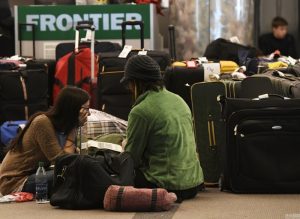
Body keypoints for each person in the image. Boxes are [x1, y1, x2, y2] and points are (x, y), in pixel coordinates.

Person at [121, 55, 204, 202]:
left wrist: (124, 146)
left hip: (166, 185)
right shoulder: (179, 100)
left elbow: (131, 158)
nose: (128, 89)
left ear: (135, 83)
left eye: (129, 84)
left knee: (119, 169)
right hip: (193, 184)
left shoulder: (140, 111)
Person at [0, 87, 90, 196]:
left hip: (36, 173)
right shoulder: (42, 122)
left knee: (81, 171)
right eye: (86, 109)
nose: (88, 114)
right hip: (15, 181)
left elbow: (73, 159)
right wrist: (73, 129)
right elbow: (63, 162)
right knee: (74, 174)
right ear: (73, 108)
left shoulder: (62, 126)